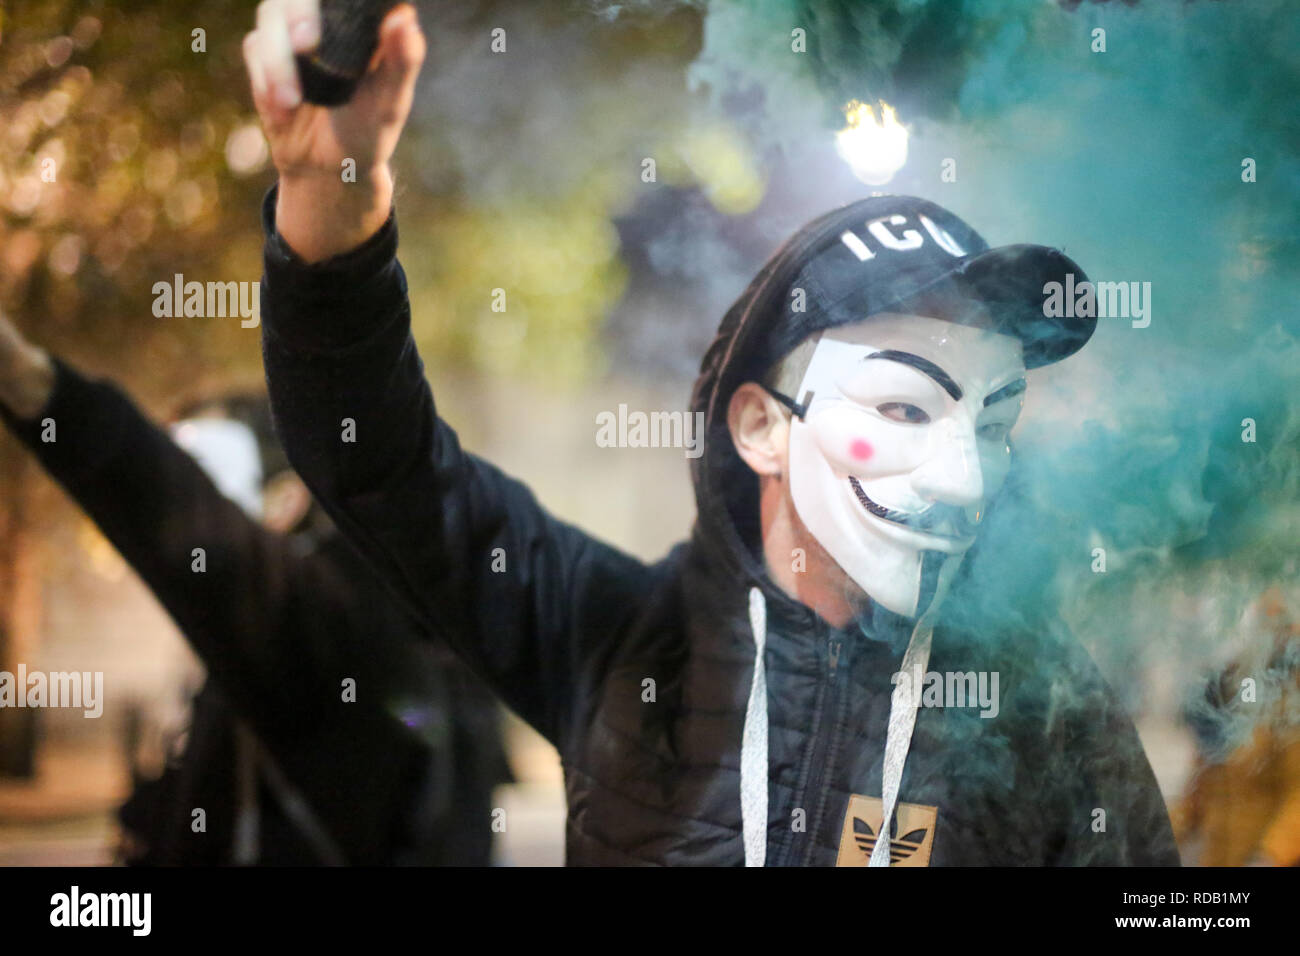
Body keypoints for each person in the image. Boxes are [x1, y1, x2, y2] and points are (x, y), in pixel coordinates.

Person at [242, 1, 1179, 865]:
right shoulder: (618, 641)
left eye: (994, 421)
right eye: (901, 407)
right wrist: (333, 192)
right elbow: (377, 464)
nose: (966, 479)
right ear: (762, 427)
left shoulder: (1046, 709)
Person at [0, 310, 510, 865]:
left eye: (200, 470)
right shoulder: (274, 655)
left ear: (286, 501)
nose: (189, 489)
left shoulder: (330, 629)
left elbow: (174, 511)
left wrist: (33, 383)